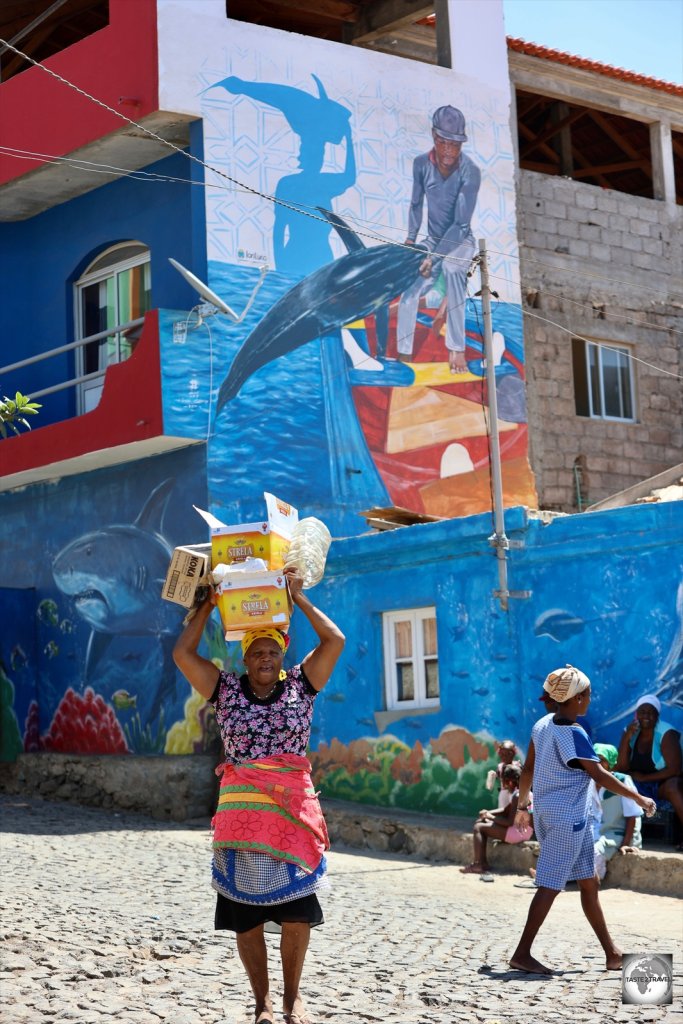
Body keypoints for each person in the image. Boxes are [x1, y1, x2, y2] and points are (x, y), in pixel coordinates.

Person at [173, 566, 345, 1024]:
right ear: (245, 659)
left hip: (291, 816)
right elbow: (182, 652)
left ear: (282, 654)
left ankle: (292, 1000)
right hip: (241, 816)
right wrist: (209, 603)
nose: (265, 658)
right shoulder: (223, 688)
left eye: (273, 650)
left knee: (296, 913)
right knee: (244, 915)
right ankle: (262, 1003)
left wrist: (298, 598)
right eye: (257, 652)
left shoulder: (301, 685)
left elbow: (335, 642)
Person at [509, 665, 656, 975]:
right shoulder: (573, 733)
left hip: (551, 815)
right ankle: (522, 953)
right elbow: (600, 773)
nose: (590, 698)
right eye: (587, 694)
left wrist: (523, 806)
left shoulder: (542, 724)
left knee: (590, 883)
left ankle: (612, 953)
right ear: (575, 699)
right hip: (568, 821)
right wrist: (639, 798)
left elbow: (529, 769)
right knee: (549, 886)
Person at [396, 105, 481, 373]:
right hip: (433, 240)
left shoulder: (471, 171)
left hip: (460, 240)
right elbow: (415, 204)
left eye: (454, 144)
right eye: (443, 142)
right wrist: (411, 241)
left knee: (452, 269)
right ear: (434, 136)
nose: (448, 151)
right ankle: (404, 354)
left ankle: (456, 350)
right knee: (410, 292)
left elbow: (460, 223)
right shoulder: (421, 164)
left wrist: (434, 257)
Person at [615, 693, 683, 842]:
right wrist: (627, 738)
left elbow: (675, 770)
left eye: (651, 712)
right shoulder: (630, 731)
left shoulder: (666, 733)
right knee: (615, 781)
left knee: (673, 786)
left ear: (657, 715)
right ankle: (616, 834)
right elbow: (621, 766)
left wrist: (645, 778)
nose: (646, 716)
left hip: (660, 784)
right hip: (638, 784)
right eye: (642, 712)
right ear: (636, 714)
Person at [461, 764, 533, 876]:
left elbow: (509, 822)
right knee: (481, 823)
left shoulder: (517, 796)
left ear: (509, 782)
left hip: (519, 833)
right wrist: (488, 812)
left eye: (503, 781)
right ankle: (482, 863)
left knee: (478, 827)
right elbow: (505, 810)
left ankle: (478, 864)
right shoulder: (522, 792)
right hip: (524, 831)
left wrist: (490, 817)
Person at [591, 743, 642, 881]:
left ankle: (588, 880)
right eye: (594, 759)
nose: (597, 763)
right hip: (593, 831)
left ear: (611, 763)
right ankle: (552, 877)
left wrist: (626, 843)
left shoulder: (623, 781)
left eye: (602, 760)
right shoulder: (587, 781)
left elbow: (633, 815)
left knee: (595, 851)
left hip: (615, 833)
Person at [485, 739, 522, 809]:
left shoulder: (517, 766)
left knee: (514, 810)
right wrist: (492, 776)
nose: (504, 756)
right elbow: (498, 776)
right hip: (504, 792)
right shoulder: (500, 766)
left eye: (508, 754)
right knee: (503, 808)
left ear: (513, 753)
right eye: (502, 754)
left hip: (515, 792)